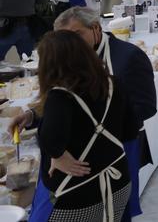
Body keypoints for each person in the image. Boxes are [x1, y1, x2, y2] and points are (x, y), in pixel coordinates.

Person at [39, 8, 157, 222]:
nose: (71, 44)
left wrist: (102, 129)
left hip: (118, 150)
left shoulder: (129, 56)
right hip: (100, 159)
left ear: (95, 28)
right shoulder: (67, 84)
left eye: (75, 36)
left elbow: (145, 107)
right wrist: (32, 116)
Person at [24, 30, 140, 222]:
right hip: (117, 183)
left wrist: (57, 154)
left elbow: (50, 140)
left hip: (77, 194)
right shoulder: (112, 84)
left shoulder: (60, 96)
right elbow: (130, 130)